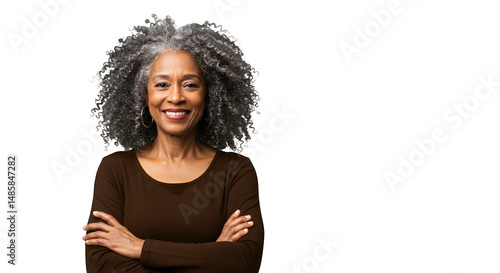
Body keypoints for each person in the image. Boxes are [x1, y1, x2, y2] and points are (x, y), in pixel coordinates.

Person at [81, 14, 264, 272]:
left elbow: (244, 262)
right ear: (144, 95)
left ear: (209, 94)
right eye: (162, 84)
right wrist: (214, 253)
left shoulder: (235, 171)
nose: (176, 97)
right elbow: (101, 266)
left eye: (190, 84)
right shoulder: (116, 170)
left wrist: (139, 247)